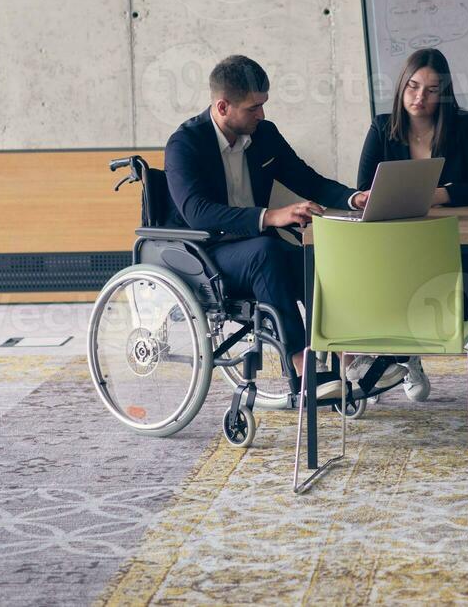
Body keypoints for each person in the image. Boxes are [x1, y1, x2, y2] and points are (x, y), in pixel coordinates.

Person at [165, 55, 387, 403]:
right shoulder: (185, 144)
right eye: (253, 108)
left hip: (255, 246)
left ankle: (348, 355)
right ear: (223, 106)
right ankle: (302, 370)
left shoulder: (263, 135)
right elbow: (197, 212)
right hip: (207, 253)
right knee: (266, 253)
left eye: (263, 106)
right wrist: (271, 217)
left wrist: (353, 197)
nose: (262, 115)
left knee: (315, 260)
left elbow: (305, 178)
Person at [356, 48, 468, 405]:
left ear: (444, 94)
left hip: (456, 236)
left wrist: (438, 195)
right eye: (413, 86)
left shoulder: (463, 125)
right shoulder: (381, 127)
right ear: (401, 87)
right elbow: (363, 188)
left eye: (432, 90)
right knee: (389, 278)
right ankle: (408, 359)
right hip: (400, 238)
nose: (419, 97)